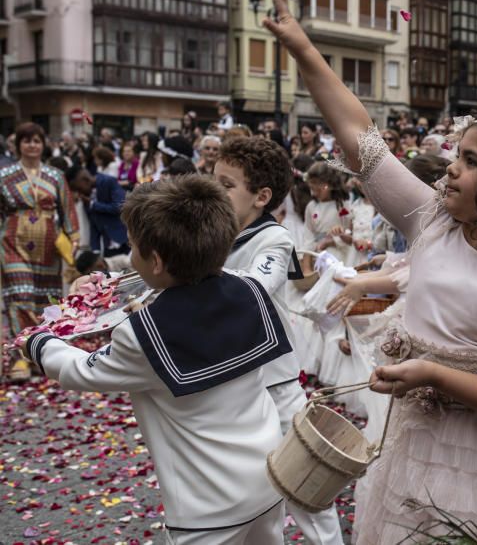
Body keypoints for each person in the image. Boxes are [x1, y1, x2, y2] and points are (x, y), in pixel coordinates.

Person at [264, 0, 477, 543]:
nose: (449, 170)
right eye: (455, 156)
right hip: (416, 448)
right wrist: (302, 48)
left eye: (469, 161)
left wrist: (434, 374)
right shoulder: (433, 221)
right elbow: (361, 138)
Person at [23, 176, 291, 542]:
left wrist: (38, 340)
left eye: (132, 246)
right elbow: (159, 276)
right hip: (269, 479)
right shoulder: (247, 288)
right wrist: (105, 284)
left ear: (158, 260)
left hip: (207, 506)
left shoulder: (142, 335)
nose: (131, 255)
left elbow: (79, 370)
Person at [213, 136, 345, 545]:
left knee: (307, 490)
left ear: (261, 197)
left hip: (276, 384)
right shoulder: (210, 234)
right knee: (243, 493)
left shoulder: (274, 238)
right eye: (212, 180)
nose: (213, 192)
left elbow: (256, 287)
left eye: (226, 185)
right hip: (229, 388)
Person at [1, 123, 79, 380]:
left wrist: (73, 238)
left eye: (37, 140)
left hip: (48, 245)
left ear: (43, 144)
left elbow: (67, 208)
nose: (32, 145)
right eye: (27, 140)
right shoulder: (5, 175)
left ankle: (42, 353)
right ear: (18, 144)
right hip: (13, 241)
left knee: (45, 301)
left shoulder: (55, 176)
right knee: (20, 295)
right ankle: (21, 357)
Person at [65, 164, 129, 265]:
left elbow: (120, 206)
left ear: (85, 180)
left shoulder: (109, 181)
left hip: (126, 240)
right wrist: (95, 252)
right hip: (108, 246)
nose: (79, 193)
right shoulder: (85, 197)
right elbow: (93, 225)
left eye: (78, 188)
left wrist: (93, 204)